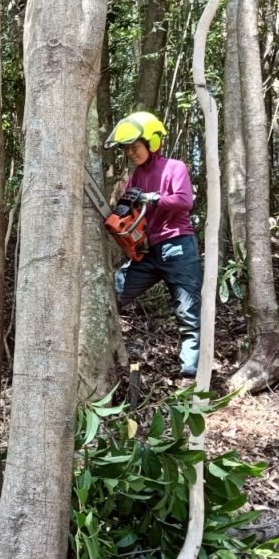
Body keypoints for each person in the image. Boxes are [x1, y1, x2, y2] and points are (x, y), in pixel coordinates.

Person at [108, 111, 202, 378]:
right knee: (114, 292)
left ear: (151, 142)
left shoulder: (175, 167)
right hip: (149, 250)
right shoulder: (136, 176)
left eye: (135, 147)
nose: (131, 153)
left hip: (178, 246)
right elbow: (129, 206)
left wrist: (154, 198)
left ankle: (190, 376)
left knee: (188, 313)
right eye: (127, 150)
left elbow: (184, 201)